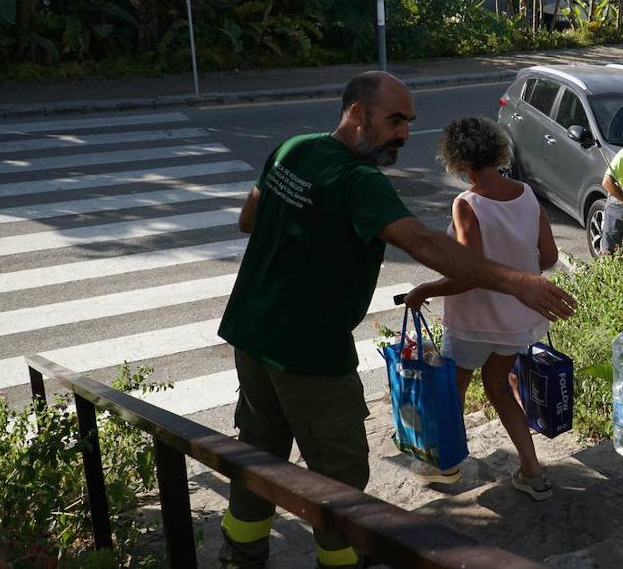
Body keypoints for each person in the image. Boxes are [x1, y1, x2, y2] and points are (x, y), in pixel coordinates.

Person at [215, 73, 576, 569]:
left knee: (259, 448)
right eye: (394, 120)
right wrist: (518, 282)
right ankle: (342, 561)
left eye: (408, 122)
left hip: (251, 331)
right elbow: (424, 243)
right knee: (339, 469)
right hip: (309, 349)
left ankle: (241, 552)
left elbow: (249, 220)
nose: (404, 133)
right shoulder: (359, 181)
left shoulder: (292, 149)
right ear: (357, 114)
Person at [401, 117, 561, 500]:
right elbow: (550, 256)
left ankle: (446, 466)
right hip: (515, 320)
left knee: (452, 393)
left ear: (456, 160)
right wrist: (517, 273)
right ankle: (533, 472)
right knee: (500, 390)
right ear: (497, 150)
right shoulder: (526, 194)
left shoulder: (467, 204)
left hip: (472, 322)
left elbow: (468, 274)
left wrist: (425, 288)